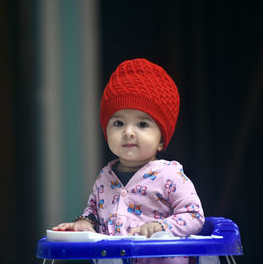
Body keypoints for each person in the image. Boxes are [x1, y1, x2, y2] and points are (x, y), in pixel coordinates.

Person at [53, 58, 205, 263]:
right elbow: (94, 214)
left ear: (161, 140)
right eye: (118, 123)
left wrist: (162, 227)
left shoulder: (170, 176)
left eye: (142, 124)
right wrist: (84, 224)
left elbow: (194, 216)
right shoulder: (104, 177)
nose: (128, 132)